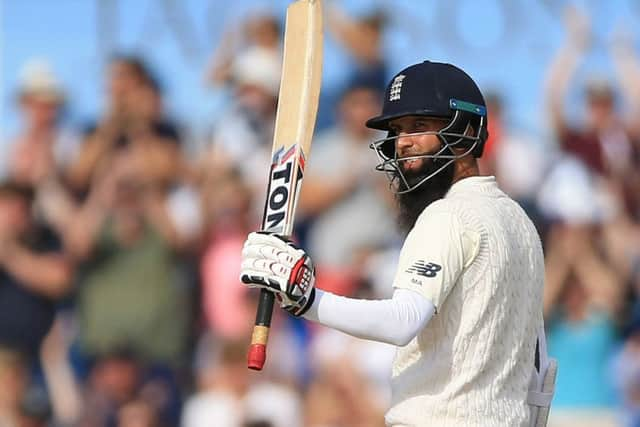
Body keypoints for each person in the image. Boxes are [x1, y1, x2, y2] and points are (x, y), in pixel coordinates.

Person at [240, 60, 556, 426]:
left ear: (467, 132)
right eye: (398, 129)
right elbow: (538, 359)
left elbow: (404, 320)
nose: (403, 142)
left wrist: (308, 300)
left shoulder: (447, 215)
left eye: (420, 126)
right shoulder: (520, 221)